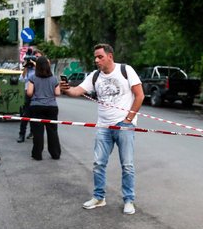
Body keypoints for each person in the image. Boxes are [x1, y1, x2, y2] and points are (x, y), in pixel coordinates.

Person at [60, 43, 144, 215]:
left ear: (110, 56)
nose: (96, 60)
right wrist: (67, 90)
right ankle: (99, 197)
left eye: (100, 57)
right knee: (99, 163)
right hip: (103, 125)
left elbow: (140, 95)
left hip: (123, 125)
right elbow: (77, 91)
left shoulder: (125, 70)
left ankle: (129, 200)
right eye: (95, 57)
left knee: (127, 165)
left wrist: (128, 119)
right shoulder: (95, 76)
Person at [26, 56, 62, 160]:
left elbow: (29, 93)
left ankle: (37, 154)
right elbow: (57, 93)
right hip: (51, 107)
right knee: (52, 131)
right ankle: (55, 153)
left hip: (36, 107)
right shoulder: (54, 79)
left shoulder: (33, 78)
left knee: (38, 132)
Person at [18, 48, 43, 142]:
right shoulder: (28, 69)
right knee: (25, 115)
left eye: (37, 57)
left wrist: (36, 65)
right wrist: (26, 66)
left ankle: (33, 133)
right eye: (35, 57)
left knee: (36, 115)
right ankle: (21, 134)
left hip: (38, 93)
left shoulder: (41, 68)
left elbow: (43, 75)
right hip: (28, 93)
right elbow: (22, 79)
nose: (35, 59)